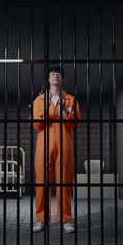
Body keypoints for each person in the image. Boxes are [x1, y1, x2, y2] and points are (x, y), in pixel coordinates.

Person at [31, 67, 81, 234]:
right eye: (52, 74)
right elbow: (36, 124)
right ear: (48, 78)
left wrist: (66, 111)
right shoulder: (39, 99)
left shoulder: (70, 99)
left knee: (64, 183)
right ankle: (41, 219)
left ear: (62, 79)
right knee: (41, 184)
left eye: (58, 74)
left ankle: (66, 219)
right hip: (44, 145)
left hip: (64, 145)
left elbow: (75, 124)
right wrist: (46, 109)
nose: (55, 77)